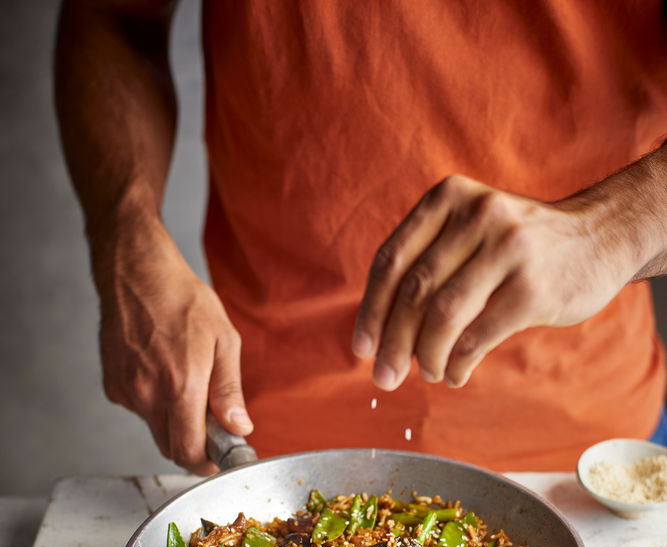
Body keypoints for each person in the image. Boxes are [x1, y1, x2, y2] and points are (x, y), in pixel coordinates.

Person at [54, 0, 667, 476]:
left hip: (593, 448)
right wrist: (128, 239)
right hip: (271, 440)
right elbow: (113, 18)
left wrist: (610, 227)